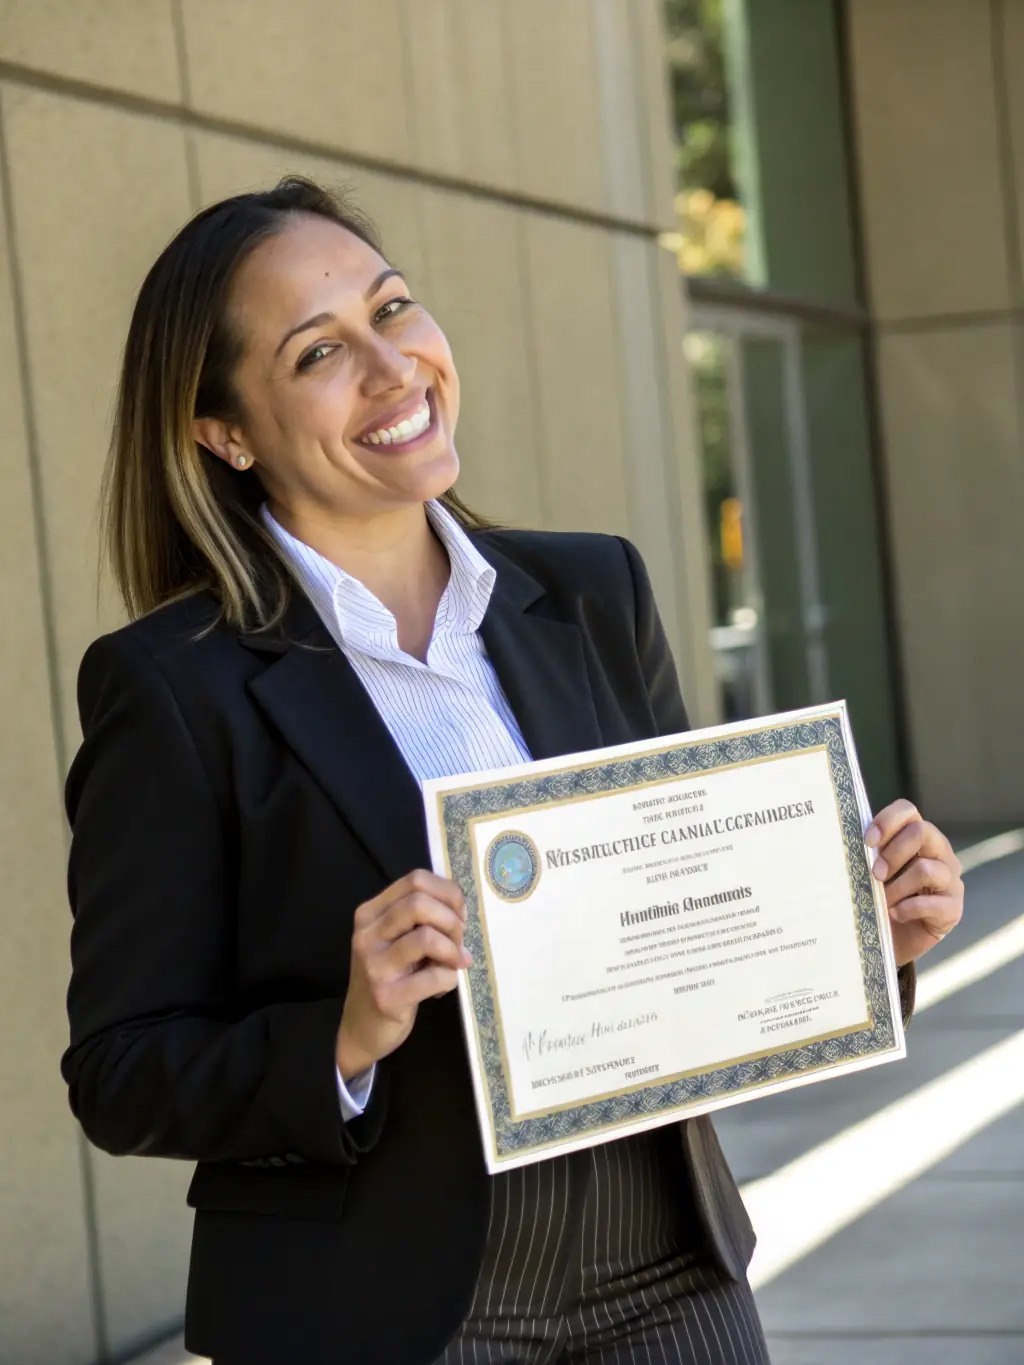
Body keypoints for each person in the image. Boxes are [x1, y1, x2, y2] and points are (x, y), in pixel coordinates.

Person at [61, 177, 965, 1365]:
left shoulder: (593, 591)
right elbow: (122, 1072)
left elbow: (683, 917)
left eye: (393, 308)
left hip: (665, 1268)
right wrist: (346, 1034)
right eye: (319, 352)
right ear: (224, 432)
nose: (393, 367)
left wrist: (861, 938)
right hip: (386, 1310)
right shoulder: (174, 686)